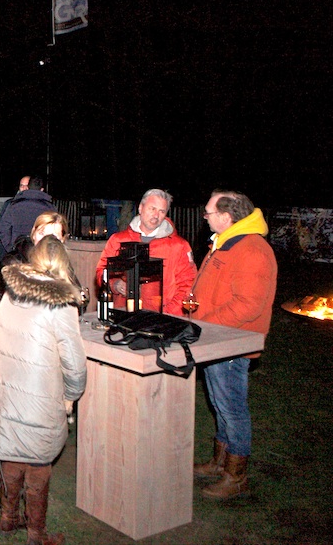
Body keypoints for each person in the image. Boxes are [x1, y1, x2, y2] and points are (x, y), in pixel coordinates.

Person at [0, 236, 87, 545]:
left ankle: (8, 518)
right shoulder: (61, 305)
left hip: (5, 389)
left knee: (12, 448)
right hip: (39, 397)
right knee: (38, 462)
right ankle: (37, 534)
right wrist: (72, 394)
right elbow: (75, 365)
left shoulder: (11, 294)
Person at [192, 190, 277, 500]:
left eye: (209, 212)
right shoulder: (227, 242)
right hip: (216, 341)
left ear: (227, 217)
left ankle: (236, 474)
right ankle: (220, 462)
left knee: (232, 409)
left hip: (231, 343)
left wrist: (206, 324)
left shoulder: (252, 250)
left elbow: (248, 306)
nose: (205, 217)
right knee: (219, 404)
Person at [0, 212, 74, 403]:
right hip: (9, 345)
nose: (47, 240)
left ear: (63, 240)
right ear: (33, 234)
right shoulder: (15, 262)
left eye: (54, 235)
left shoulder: (64, 269)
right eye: (42, 233)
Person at [94, 188, 196, 315]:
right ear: (140, 208)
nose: (156, 215)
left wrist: (166, 314)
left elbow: (187, 285)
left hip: (161, 318)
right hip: (124, 315)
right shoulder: (118, 240)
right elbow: (101, 272)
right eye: (152, 209)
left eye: (162, 211)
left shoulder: (179, 246)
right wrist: (115, 284)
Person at [0, 175, 56, 262]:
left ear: (28, 187)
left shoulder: (14, 205)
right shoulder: (50, 207)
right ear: (42, 190)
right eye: (21, 185)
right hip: (38, 253)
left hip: (20, 253)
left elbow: (3, 228)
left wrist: (10, 248)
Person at [0, 175, 30, 259]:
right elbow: (2, 227)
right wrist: (10, 248)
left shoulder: (40, 206)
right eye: (21, 185)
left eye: (27, 186)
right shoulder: (9, 204)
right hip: (11, 251)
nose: (24, 188)